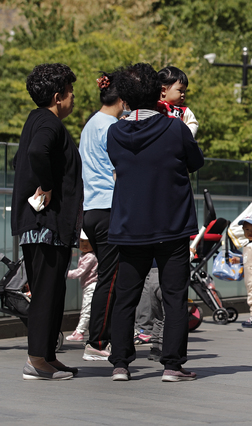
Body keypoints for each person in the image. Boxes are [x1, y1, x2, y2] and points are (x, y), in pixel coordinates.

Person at [106, 62, 204, 382]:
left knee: (126, 295)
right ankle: (172, 365)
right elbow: (195, 161)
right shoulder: (174, 129)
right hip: (171, 224)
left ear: (125, 97)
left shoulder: (115, 132)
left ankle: (121, 363)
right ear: (156, 92)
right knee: (174, 295)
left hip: (129, 224)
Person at [11, 63, 82, 380]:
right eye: (70, 92)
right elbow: (37, 153)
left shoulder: (35, 120)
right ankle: (37, 359)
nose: (73, 98)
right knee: (45, 292)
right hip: (45, 225)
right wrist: (48, 186)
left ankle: (47, 356)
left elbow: (20, 159)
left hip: (41, 224)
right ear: (58, 96)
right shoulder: (49, 124)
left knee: (52, 291)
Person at [79, 70, 124, 361]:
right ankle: (97, 341)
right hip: (110, 209)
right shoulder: (113, 127)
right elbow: (120, 170)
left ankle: (101, 337)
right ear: (122, 99)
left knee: (106, 276)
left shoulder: (89, 125)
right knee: (111, 278)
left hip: (90, 210)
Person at [66, 231, 98, 341]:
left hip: (91, 286)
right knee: (87, 309)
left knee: (86, 310)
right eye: (81, 241)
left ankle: (80, 332)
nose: (84, 244)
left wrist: (65, 274)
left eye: (88, 242)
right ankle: (79, 330)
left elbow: (80, 271)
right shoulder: (85, 255)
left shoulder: (90, 256)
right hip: (88, 285)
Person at [157, 66, 198, 138]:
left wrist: (186, 137)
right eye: (180, 90)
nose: (183, 94)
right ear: (163, 90)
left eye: (184, 91)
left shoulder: (184, 111)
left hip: (175, 143)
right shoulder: (153, 105)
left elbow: (192, 123)